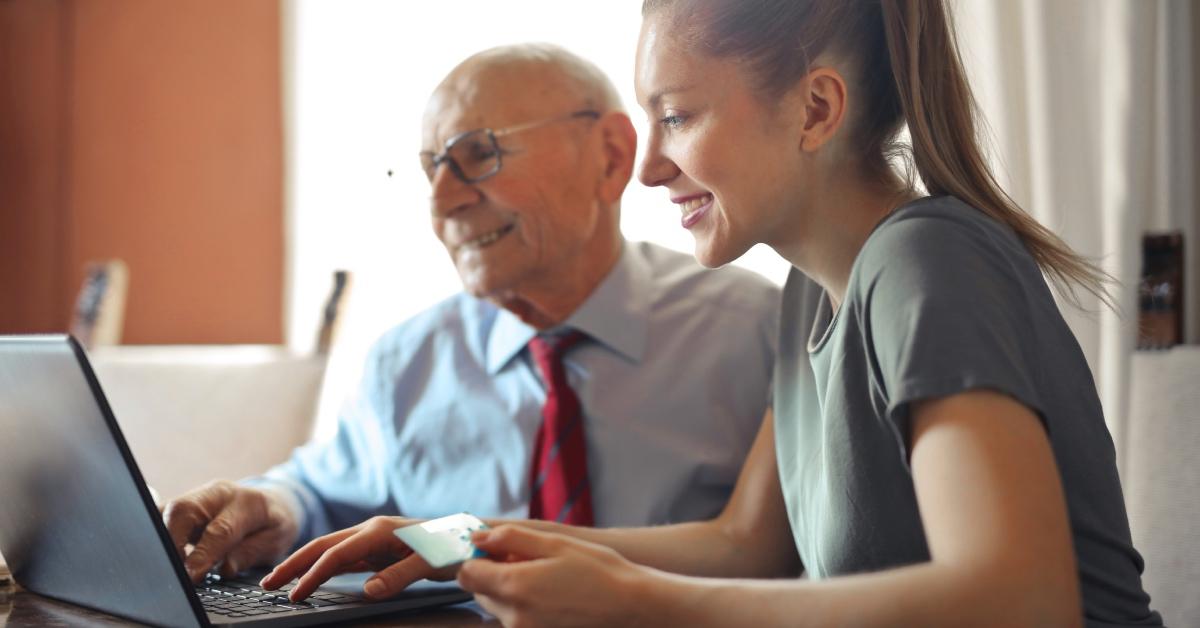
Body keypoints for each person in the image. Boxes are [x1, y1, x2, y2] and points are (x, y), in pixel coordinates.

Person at [261, 1, 1165, 626]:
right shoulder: (813, 291)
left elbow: (1021, 602)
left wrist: (636, 605)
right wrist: (462, 539)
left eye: (678, 118)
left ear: (815, 109)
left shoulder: (924, 263)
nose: (648, 169)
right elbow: (743, 543)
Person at [161, 43, 780, 585]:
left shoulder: (756, 331)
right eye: (432, 169)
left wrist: (455, 542)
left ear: (612, 157)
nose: (442, 203)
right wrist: (273, 506)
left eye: (476, 155)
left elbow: (777, 555)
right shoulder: (407, 359)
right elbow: (322, 492)